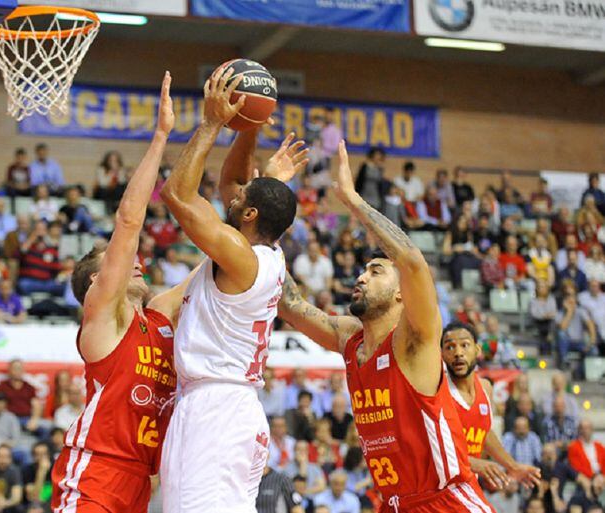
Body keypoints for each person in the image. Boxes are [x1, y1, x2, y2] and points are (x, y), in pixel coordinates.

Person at [278, 140, 494, 512]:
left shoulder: (414, 338)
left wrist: (353, 201)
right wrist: (268, 224)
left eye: (375, 271)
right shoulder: (350, 338)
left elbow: (412, 261)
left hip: (445, 501)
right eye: (362, 270)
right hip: (394, 505)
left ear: (400, 295)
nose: (361, 277)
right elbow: (291, 304)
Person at [159, 68, 303, 513]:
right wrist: (250, 126)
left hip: (216, 411)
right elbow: (232, 185)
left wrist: (213, 122)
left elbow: (179, 196)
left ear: (251, 213)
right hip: (231, 408)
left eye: (242, 200)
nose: (231, 196)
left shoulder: (242, 259)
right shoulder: (263, 252)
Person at [50, 73, 188, 513]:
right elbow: (129, 224)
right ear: (97, 281)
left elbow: (220, 263)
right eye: (118, 260)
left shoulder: (158, 319)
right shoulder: (104, 317)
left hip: (140, 484)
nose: (136, 260)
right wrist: (161, 137)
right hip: (95, 473)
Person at [441, 321, 541, 490]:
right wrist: (474, 463)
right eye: (450, 347)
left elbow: (484, 433)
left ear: (477, 350)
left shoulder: (486, 387)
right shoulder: (437, 390)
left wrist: (512, 466)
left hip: (468, 483)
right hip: (440, 486)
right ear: (442, 354)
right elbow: (433, 447)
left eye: (465, 345)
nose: (458, 353)